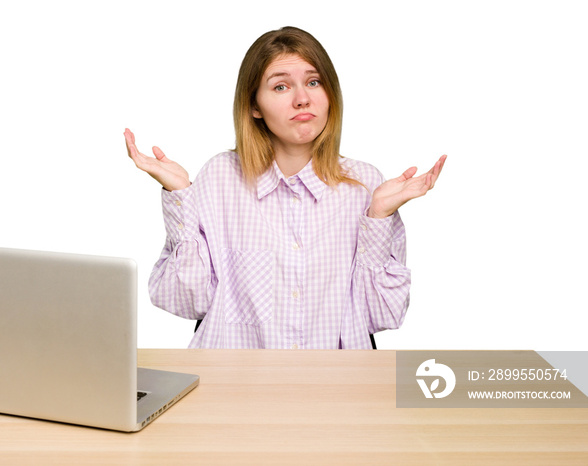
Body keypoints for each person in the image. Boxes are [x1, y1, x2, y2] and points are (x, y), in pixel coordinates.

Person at [125, 26, 446, 349]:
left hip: (336, 389)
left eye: (314, 82)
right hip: (234, 388)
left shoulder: (364, 185)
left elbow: (383, 316)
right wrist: (180, 196)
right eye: (280, 86)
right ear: (254, 106)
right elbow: (183, 301)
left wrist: (377, 216)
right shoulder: (221, 176)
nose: (302, 99)